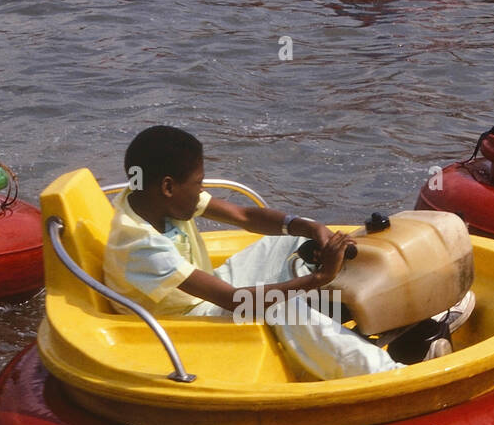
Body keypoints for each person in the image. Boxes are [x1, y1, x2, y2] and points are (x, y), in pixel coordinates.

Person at [103, 127, 469, 380]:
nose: (202, 189)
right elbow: (234, 301)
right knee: (281, 305)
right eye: (197, 182)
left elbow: (246, 215)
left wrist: (307, 227)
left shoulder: (152, 199)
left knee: (291, 246)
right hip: (188, 321)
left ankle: (385, 313)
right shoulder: (140, 246)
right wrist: (320, 277)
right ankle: (388, 375)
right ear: (168, 186)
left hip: (205, 292)